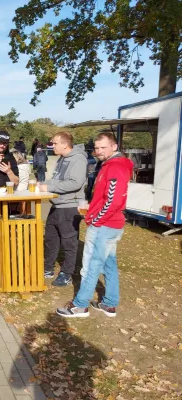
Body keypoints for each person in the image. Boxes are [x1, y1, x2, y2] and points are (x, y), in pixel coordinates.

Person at [57, 133, 133, 318]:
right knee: (109, 264)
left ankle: (80, 305)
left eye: (103, 147)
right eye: (96, 148)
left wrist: (96, 219)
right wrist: (93, 208)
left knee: (91, 264)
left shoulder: (115, 166)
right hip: (110, 224)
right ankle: (109, 303)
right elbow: (106, 198)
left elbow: (113, 200)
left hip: (105, 226)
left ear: (114, 147)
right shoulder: (110, 165)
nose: (98, 151)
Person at [38, 132, 88, 286]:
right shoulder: (62, 158)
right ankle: (47, 268)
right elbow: (56, 179)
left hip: (70, 206)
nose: (52, 146)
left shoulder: (78, 159)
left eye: (54, 143)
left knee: (69, 242)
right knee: (51, 238)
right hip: (57, 204)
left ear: (65, 144)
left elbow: (75, 183)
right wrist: (42, 184)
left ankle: (66, 273)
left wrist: (49, 186)